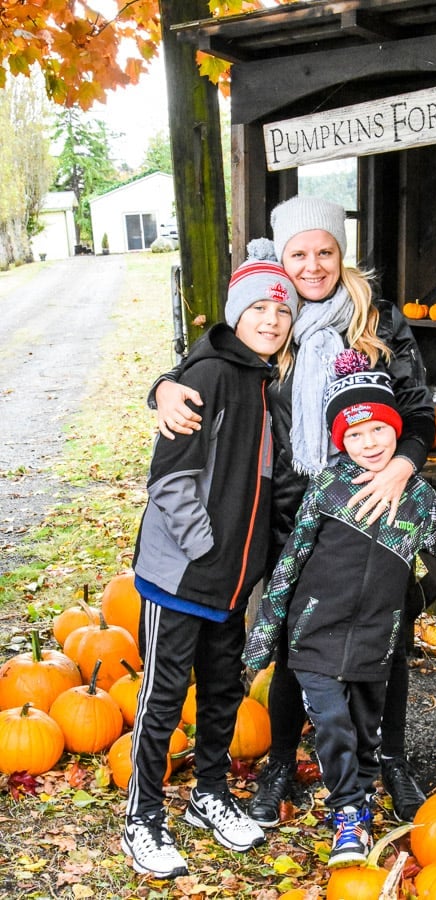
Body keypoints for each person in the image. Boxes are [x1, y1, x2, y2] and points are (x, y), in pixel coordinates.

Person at [149, 196, 436, 825]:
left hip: (370, 504)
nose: (312, 266)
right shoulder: (269, 314)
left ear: (341, 255)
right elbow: (200, 365)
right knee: (291, 638)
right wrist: (162, 388)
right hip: (286, 510)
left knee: (383, 638)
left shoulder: (378, 320)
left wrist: (402, 464)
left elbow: (418, 410)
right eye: (299, 254)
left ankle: (388, 758)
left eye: (325, 252)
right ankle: (280, 759)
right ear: (282, 259)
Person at [243, 352, 436, 867]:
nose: (369, 442)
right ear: (339, 440)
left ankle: (362, 792)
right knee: (332, 724)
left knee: (364, 729)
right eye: (354, 434)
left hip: (376, 636)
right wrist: (265, 632)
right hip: (315, 632)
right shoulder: (327, 487)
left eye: (379, 430)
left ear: (396, 428)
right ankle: (350, 816)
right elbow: (292, 558)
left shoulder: (416, 498)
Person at [122, 248, 299, 880]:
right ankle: (142, 816)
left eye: (282, 308)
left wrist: (248, 562)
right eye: (259, 307)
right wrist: (208, 549)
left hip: (229, 582)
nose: (272, 318)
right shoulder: (207, 377)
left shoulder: (258, 379)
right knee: (165, 693)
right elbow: (169, 480)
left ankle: (209, 794)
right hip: (182, 575)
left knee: (223, 689)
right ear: (234, 314)